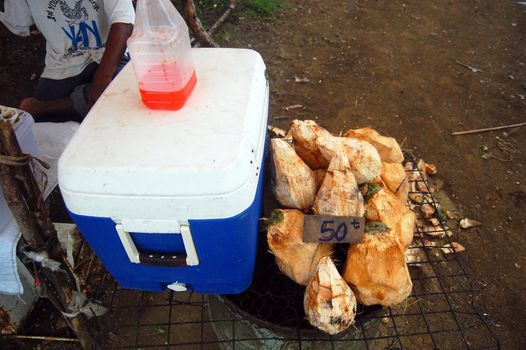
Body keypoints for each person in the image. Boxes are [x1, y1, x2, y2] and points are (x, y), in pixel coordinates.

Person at [0, 0, 135, 122]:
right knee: (34, 124)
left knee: (125, 92)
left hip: (109, 54)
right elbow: (13, 23)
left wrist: (102, 78)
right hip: (62, 66)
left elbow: (123, 21)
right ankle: (75, 103)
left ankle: (45, 107)